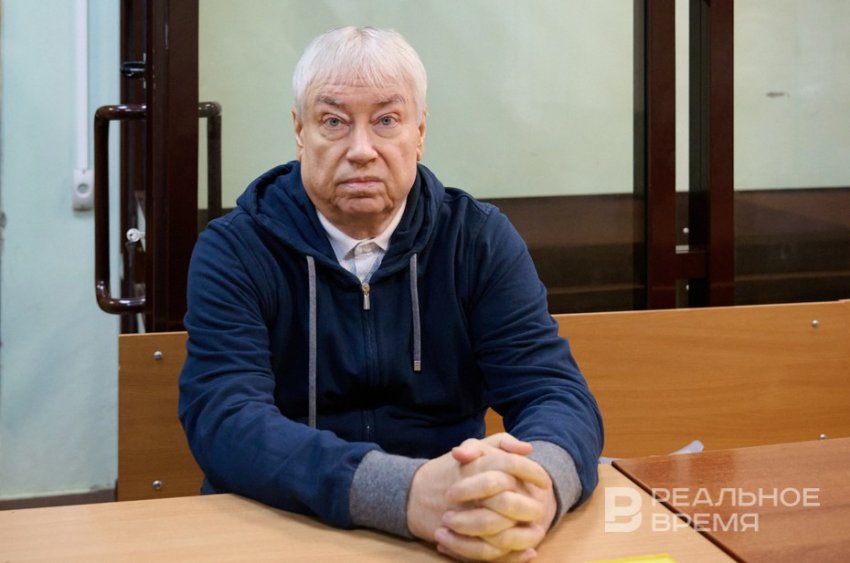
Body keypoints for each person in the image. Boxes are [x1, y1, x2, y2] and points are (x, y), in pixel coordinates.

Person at [179, 26, 603, 562]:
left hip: (451, 532)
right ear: (300, 132)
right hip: (284, 526)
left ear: (419, 132)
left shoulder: (476, 240)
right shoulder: (236, 249)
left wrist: (535, 489)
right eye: (334, 122)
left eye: (386, 121)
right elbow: (226, 420)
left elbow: (553, 393)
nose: (362, 151)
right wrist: (406, 494)